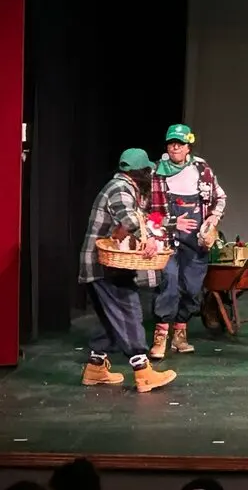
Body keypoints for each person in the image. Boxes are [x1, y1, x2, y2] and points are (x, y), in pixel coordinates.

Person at [77, 149, 177, 393]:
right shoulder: (120, 189)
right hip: (105, 267)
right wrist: (148, 241)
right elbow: (131, 219)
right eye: (147, 172)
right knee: (128, 311)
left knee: (111, 319)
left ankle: (95, 368)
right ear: (140, 172)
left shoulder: (125, 188)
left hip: (104, 266)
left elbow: (136, 218)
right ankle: (142, 372)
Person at [149, 124, 227, 360]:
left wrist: (214, 217)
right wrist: (171, 222)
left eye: (180, 143)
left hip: (196, 240)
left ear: (188, 147)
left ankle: (180, 334)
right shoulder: (156, 173)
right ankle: (161, 336)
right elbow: (148, 212)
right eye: (171, 143)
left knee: (192, 288)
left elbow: (219, 198)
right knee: (169, 283)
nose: (175, 147)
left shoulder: (201, 169)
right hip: (167, 239)